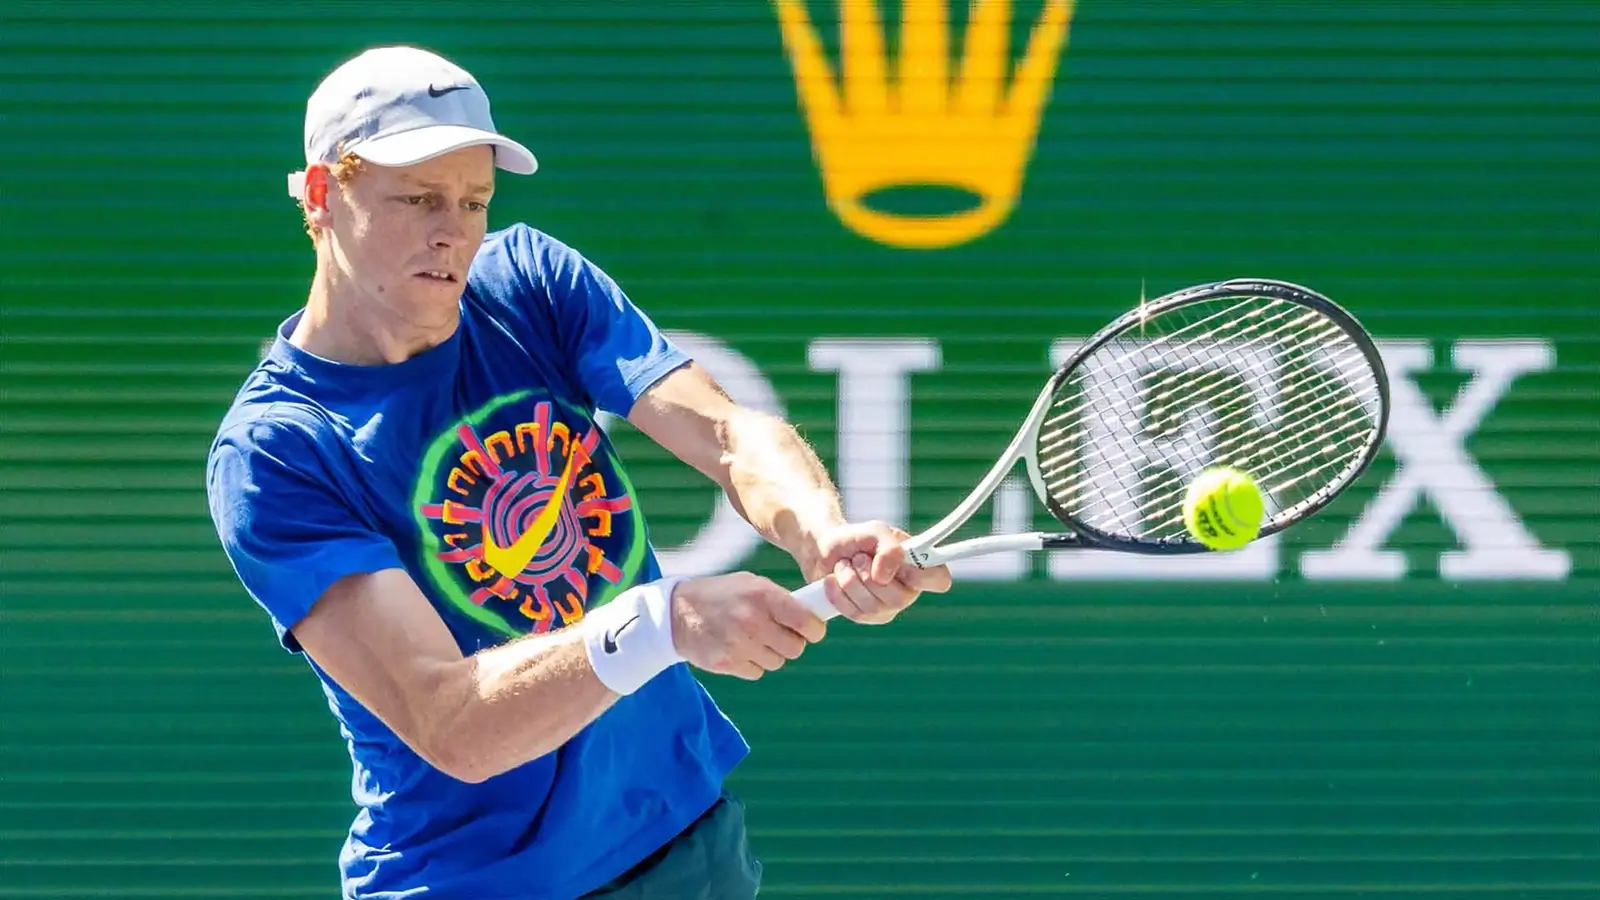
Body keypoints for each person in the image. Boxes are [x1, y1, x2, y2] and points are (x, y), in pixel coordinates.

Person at [204, 44, 951, 900]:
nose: (453, 231)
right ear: (323, 196)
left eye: (473, 201)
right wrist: (659, 622)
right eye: (418, 200)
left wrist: (820, 529)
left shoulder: (527, 282)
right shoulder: (276, 451)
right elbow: (454, 722)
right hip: (473, 884)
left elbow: (732, 436)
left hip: (681, 842)